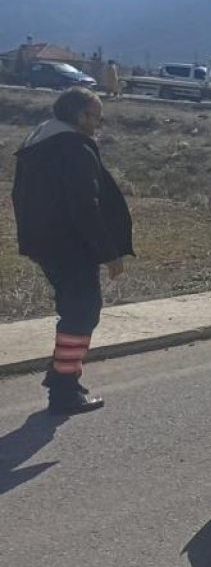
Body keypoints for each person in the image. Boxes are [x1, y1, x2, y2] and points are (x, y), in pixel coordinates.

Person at [12, 87, 132, 415]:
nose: (99, 123)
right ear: (80, 116)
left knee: (75, 310)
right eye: (96, 116)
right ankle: (64, 391)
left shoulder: (38, 142)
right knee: (82, 313)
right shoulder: (73, 148)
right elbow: (84, 207)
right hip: (70, 247)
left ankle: (61, 375)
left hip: (45, 243)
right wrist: (109, 252)